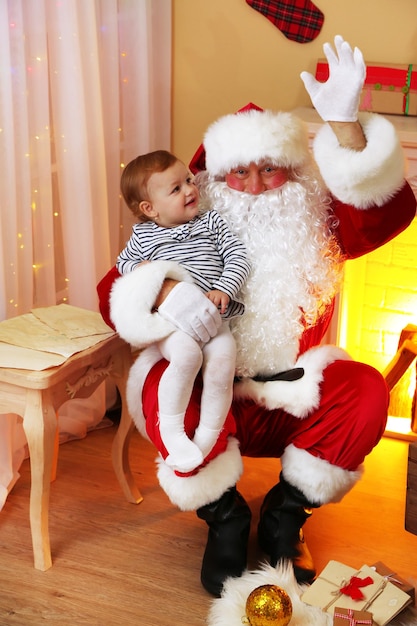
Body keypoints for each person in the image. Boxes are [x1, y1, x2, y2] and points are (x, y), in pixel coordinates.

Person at [98, 36, 417, 597]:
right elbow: (113, 291)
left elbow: (384, 212)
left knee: (366, 392)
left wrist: (346, 128)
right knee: (155, 383)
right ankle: (225, 521)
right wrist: (166, 287)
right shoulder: (177, 229)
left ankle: (284, 519)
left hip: (296, 395)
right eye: (237, 173)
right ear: (210, 181)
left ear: (295, 174)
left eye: (270, 170)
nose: (253, 186)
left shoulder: (318, 217)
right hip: (213, 393)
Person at [115, 150, 250, 473]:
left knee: (221, 365)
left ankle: (207, 435)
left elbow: (238, 258)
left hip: (215, 319)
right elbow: (123, 264)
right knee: (187, 357)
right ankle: (172, 432)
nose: (190, 190)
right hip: (171, 324)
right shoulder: (145, 235)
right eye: (175, 189)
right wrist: (144, 269)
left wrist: (223, 289)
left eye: (188, 180)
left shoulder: (212, 221)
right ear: (150, 209)